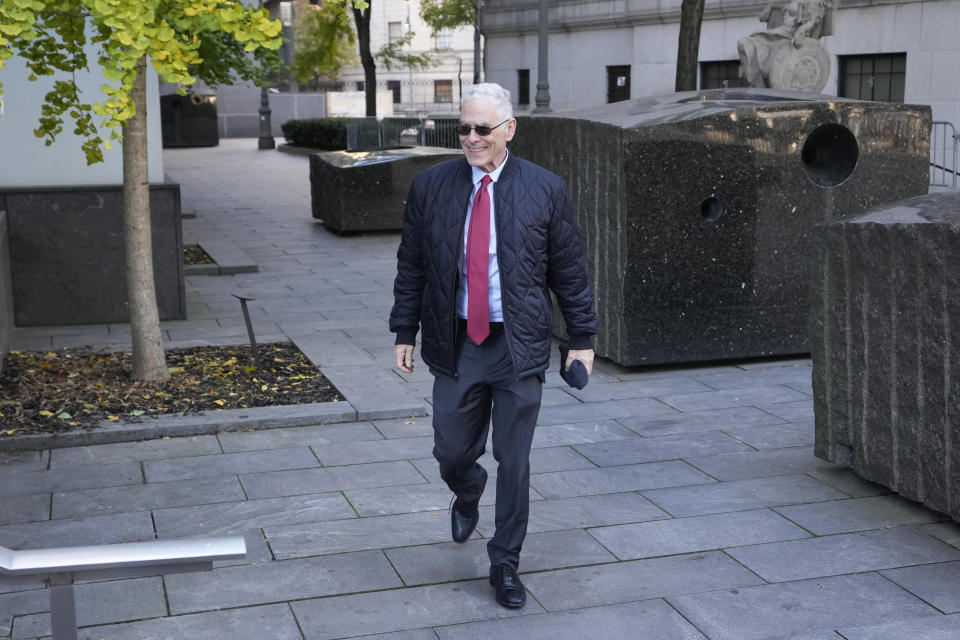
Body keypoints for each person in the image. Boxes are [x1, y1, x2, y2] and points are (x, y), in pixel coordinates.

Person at [390, 82, 598, 609]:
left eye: (483, 128)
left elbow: (568, 270)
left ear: (509, 129)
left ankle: (505, 561)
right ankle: (465, 487)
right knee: (450, 448)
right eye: (463, 127)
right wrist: (403, 330)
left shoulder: (545, 188)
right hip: (457, 341)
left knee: (515, 458)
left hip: (519, 346)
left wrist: (582, 339)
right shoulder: (431, 186)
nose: (472, 138)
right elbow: (412, 264)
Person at [738, 0, 830, 87]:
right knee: (744, 44)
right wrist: (770, 6)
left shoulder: (812, 2)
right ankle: (757, 83)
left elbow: (811, 21)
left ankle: (759, 85)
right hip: (781, 31)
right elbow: (782, 6)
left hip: (789, 34)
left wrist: (800, 32)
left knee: (746, 43)